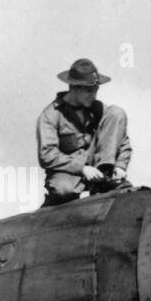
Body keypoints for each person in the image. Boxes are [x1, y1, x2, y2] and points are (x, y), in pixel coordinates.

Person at [37, 58, 132, 207]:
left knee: (116, 113)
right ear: (73, 88)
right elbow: (47, 155)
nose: (94, 95)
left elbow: (122, 139)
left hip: (97, 169)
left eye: (96, 90)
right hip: (69, 171)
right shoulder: (50, 115)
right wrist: (82, 168)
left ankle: (105, 181)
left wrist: (120, 166)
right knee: (63, 191)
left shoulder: (100, 110)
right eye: (89, 90)